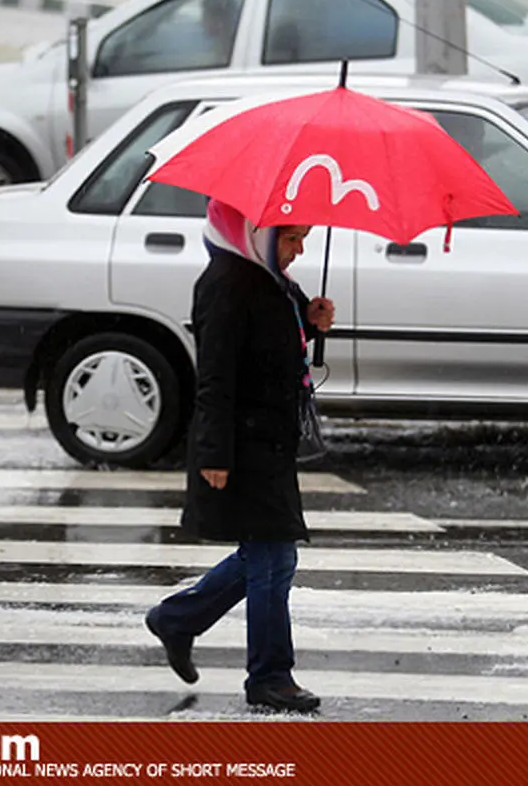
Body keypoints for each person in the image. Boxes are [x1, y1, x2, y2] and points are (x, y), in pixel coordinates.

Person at [145, 199, 335, 714]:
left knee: (270, 555)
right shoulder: (226, 284)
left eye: (301, 240)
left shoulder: (266, 276)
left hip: (271, 439)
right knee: (274, 556)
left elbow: (271, 342)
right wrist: (214, 452)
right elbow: (216, 377)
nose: (297, 251)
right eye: (292, 238)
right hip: (245, 442)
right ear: (260, 231)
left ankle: (178, 619)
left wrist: (310, 321)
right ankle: (270, 676)